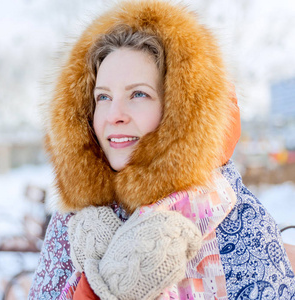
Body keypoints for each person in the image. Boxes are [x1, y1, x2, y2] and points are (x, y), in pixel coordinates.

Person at [29, 1, 295, 299]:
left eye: (138, 94)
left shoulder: (238, 223)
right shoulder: (74, 223)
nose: (114, 115)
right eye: (103, 97)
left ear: (180, 111)